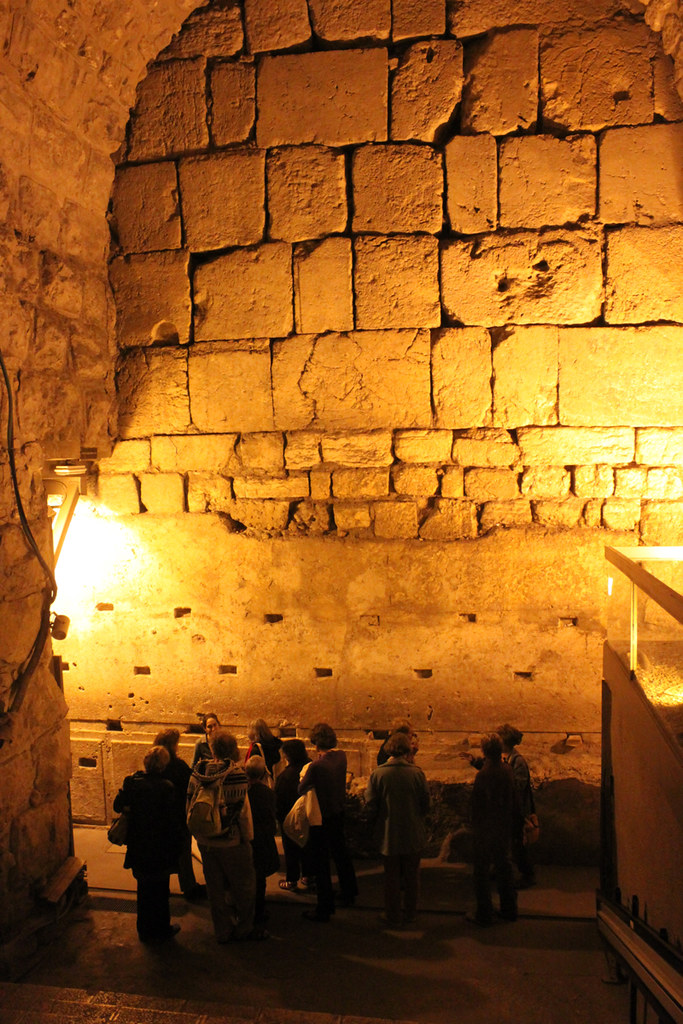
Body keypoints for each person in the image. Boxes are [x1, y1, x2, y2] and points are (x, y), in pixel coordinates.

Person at [187, 729, 265, 941]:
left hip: (206, 841)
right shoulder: (237, 775)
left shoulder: (198, 772)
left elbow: (190, 805)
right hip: (231, 841)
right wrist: (247, 839)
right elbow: (243, 812)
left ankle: (222, 931)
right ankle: (244, 928)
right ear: (233, 750)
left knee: (215, 889)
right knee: (244, 887)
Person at [113, 745, 182, 943]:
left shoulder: (132, 783)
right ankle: (161, 929)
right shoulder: (166, 787)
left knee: (143, 890)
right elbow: (171, 821)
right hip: (159, 848)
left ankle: (144, 930)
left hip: (139, 846)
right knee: (160, 891)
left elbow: (117, 805)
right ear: (164, 765)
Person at [365, 731, 430, 927]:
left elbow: (371, 804)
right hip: (412, 832)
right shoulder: (417, 773)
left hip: (388, 833)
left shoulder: (378, 774)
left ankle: (392, 914)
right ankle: (411, 913)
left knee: (391, 877)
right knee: (412, 876)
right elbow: (426, 803)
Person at [298, 722, 358, 922]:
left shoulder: (316, 766)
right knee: (341, 853)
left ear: (315, 743)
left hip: (322, 817)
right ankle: (350, 892)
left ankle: (324, 907)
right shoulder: (341, 756)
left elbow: (302, 787)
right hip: (338, 811)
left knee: (321, 862)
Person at [468, 733, 518, 927]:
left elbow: (477, 804)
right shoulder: (506, 770)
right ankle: (509, 909)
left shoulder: (484, 775)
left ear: (484, 751)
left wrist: (474, 825)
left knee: (481, 871)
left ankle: (484, 913)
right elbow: (513, 800)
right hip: (503, 827)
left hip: (486, 829)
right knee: (504, 867)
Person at [154, 727, 206, 901]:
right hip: (178, 816)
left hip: (161, 817)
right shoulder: (178, 766)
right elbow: (191, 784)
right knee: (183, 852)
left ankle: (162, 887)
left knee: (163, 852)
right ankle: (189, 887)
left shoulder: (156, 765)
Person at [498, 723, 536, 888]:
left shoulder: (517, 761)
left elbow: (519, 786)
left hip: (516, 809)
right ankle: (501, 869)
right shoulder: (505, 757)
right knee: (505, 841)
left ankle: (528, 874)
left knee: (518, 844)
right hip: (508, 807)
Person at [275, 738, 316, 891]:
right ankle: (308, 876)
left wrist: (280, 818)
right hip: (309, 815)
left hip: (290, 818)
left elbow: (279, 801)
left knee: (291, 849)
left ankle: (292, 880)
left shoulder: (285, 777)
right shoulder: (311, 767)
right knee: (308, 846)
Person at [245, 755, 280, 927]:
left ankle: (246, 910)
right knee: (259, 878)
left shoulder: (243, 791)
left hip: (247, 838)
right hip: (262, 839)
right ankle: (258, 912)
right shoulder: (267, 793)